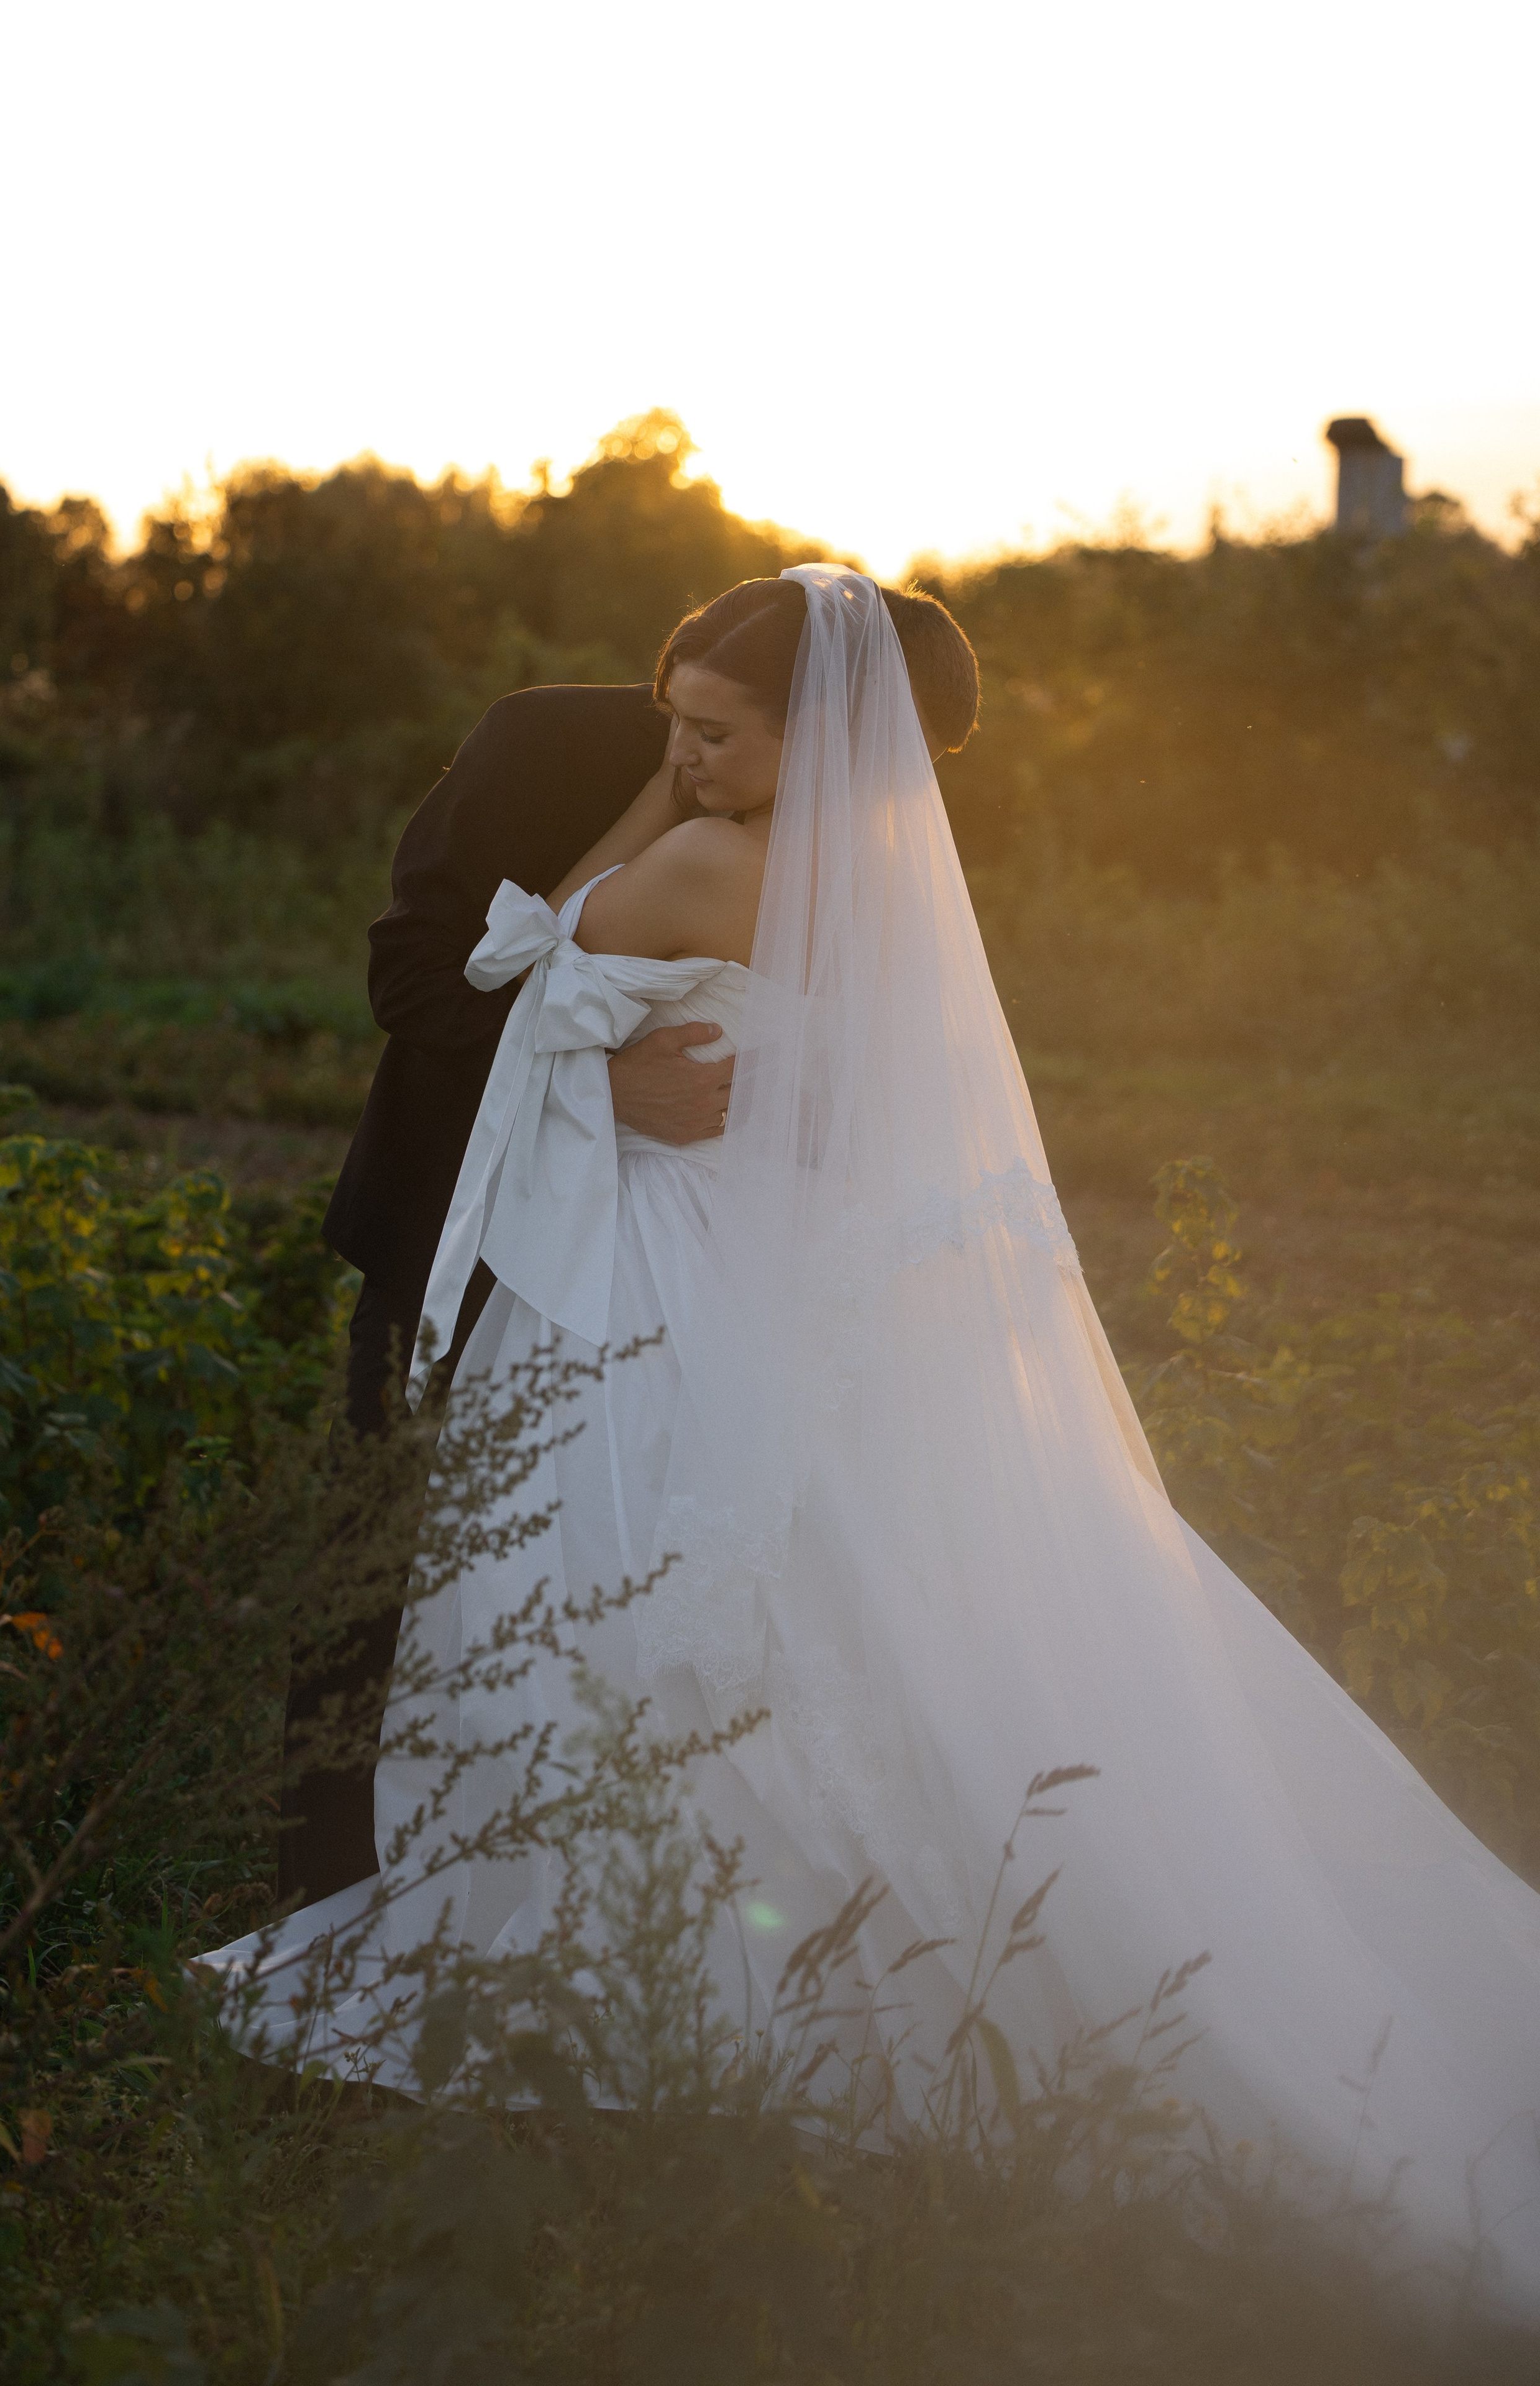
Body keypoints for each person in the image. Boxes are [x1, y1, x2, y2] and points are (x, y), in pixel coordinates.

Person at [219, 567, 1540, 2313]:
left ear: (820, 734)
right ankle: (431, 1876)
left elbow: (546, 957)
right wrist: (637, 1029)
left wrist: (650, 938)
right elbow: (440, 979)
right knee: (520, 1579)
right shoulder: (797, 848)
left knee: (612, 1592)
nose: (685, 753)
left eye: (714, 733)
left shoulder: (709, 850)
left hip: (649, 1271)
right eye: (678, 720)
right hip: (563, 1237)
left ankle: (632, 1943)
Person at [282, 593, 983, 1904]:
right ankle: (324, 1875)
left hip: (685, 1247)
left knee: (627, 1571)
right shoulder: (545, 742)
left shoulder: (858, 835)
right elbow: (422, 979)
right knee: (385, 1556)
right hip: (462, 1215)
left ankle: (625, 1885)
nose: (889, 789)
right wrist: (599, 1090)